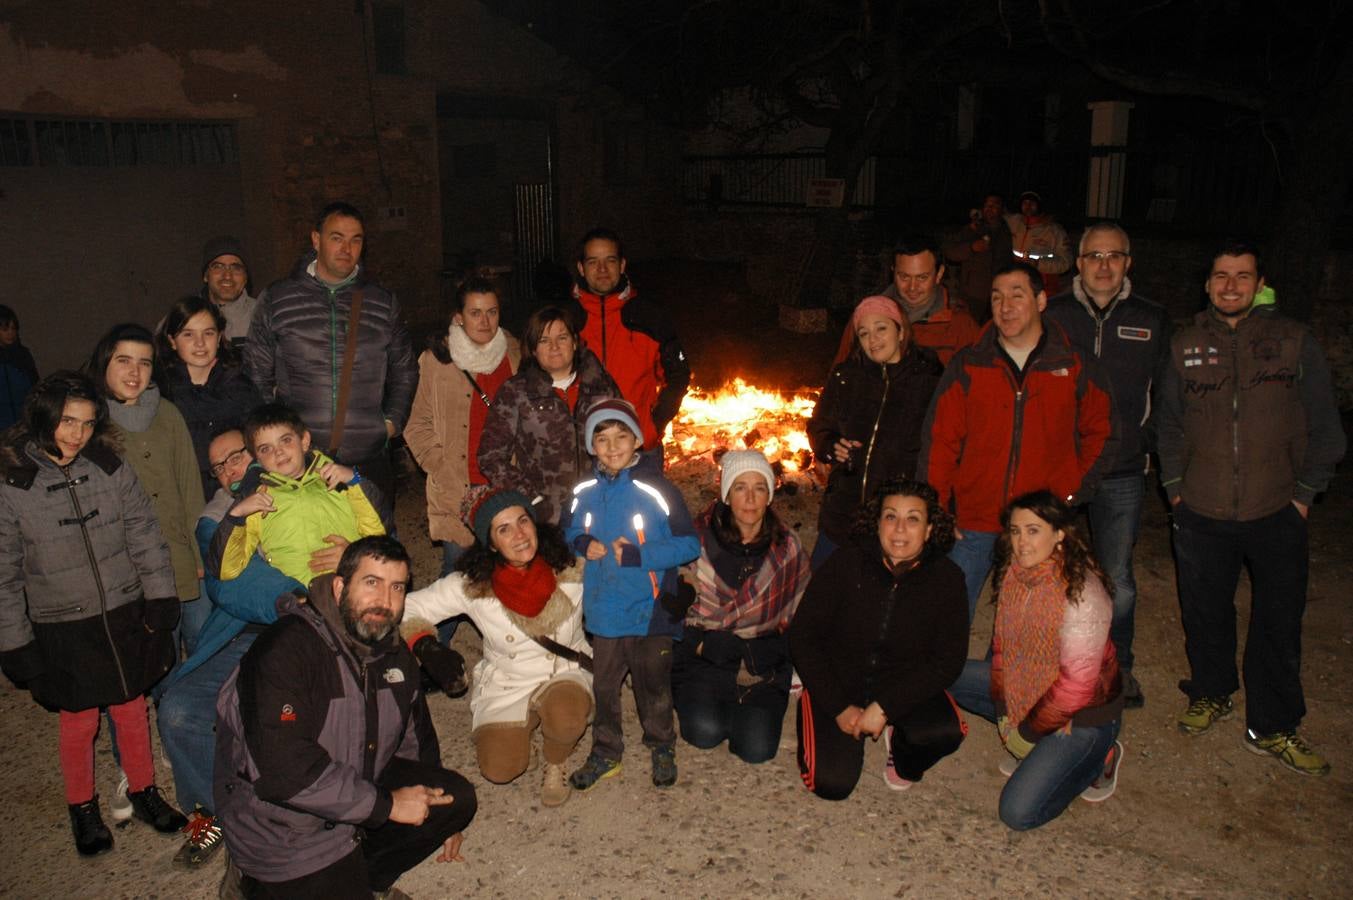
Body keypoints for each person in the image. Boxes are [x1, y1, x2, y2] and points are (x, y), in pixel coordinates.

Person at [1154, 241, 1345, 776]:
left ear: (1259, 282)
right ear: (1207, 283)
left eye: (1242, 276)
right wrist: (1175, 491)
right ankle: (1211, 692)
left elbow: (1326, 429)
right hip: (1201, 511)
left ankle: (1274, 725)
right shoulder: (1185, 344)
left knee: (1277, 624)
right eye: (1221, 276)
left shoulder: (1293, 342)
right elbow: (1167, 425)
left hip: (1276, 510)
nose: (1231, 285)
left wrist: (1305, 497)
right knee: (1205, 613)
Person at [214, 536, 477, 896]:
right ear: (340, 587)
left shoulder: (394, 653)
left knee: (453, 798)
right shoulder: (287, 650)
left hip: (353, 780)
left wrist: (435, 813)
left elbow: (415, 737)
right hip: (283, 827)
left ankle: (364, 876)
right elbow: (283, 774)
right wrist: (386, 806)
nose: (384, 601)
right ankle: (250, 882)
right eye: (371, 583)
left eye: (396, 587)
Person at [0, 371, 186, 856]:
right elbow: (3, 573)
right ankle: (82, 807)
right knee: (78, 718)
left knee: (130, 706)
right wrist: (14, 643)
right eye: (66, 421)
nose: (76, 434)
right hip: (63, 621)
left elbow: (144, 531)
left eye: (85, 423)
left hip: (123, 607)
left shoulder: (108, 465)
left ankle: (144, 791)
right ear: (43, 417)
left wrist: (160, 596)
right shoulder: (12, 481)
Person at [919, 261, 1117, 619]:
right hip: (973, 521)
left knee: (1022, 634)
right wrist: (940, 509)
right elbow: (939, 441)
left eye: (1016, 295)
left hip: (1038, 526)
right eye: (996, 297)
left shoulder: (1074, 363)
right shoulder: (969, 364)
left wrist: (1070, 494)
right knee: (943, 622)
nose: (1005, 307)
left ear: (1041, 301)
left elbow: (1102, 431)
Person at [154, 428, 304, 867]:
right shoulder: (214, 517)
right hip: (250, 631)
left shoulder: (304, 483)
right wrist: (295, 598)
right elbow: (230, 584)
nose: (230, 470)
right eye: (219, 466)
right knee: (178, 709)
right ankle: (212, 813)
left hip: (317, 627)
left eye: (237, 456)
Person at [1044, 223, 1171, 708]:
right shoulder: (1053, 315)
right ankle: (1052, 662)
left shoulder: (1152, 319)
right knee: (1051, 571)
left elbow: (1168, 395)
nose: (1103, 265)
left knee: (1117, 577)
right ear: (1077, 263)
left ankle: (1117, 668)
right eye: (1093, 256)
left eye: (1113, 256)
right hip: (1059, 469)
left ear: (1128, 263)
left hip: (1120, 470)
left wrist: (1144, 441)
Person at [402, 489, 593, 807]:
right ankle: (523, 733)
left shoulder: (570, 565)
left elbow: (622, 577)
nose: (519, 535)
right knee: (500, 769)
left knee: (567, 717)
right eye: (504, 529)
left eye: (522, 521)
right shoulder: (472, 585)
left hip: (564, 672)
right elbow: (405, 608)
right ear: (490, 543)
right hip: (509, 682)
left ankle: (556, 760)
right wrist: (426, 647)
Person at [950, 491, 1125, 830]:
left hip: (1083, 715)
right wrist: (1004, 708)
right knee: (941, 674)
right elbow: (1002, 647)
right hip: (1026, 686)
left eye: (1033, 530)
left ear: (1060, 533)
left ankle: (1099, 757)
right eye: (1015, 531)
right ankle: (1043, 749)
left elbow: (1075, 688)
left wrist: (1027, 733)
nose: (1021, 542)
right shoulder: (1017, 574)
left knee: (1018, 812)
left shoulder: (1083, 594)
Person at [788, 478, 968, 800]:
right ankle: (817, 707)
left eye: (913, 518)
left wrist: (885, 708)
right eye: (890, 516)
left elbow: (948, 659)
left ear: (928, 529)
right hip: (840, 682)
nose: (900, 529)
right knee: (831, 784)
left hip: (901, 683)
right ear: (877, 522)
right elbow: (804, 634)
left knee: (944, 732)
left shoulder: (948, 580)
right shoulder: (846, 563)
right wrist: (838, 707)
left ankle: (899, 749)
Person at [245, 201, 416, 524]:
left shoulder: (381, 301)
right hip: (301, 462)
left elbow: (405, 367)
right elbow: (257, 371)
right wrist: (274, 439)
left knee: (375, 553)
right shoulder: (279, 298)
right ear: (315, 239)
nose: (347, 248)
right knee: (308, 556)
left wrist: (392, 422)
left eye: (356, 239)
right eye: (337, 237)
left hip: (367, 458)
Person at [561, 398, 700, 791]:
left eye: (622, 436)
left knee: (652, 681)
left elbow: (689, 545)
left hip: (651, 609)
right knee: (604, 685)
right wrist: (582, 541)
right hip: (604, 608)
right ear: (591, 446)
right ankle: (606, 752)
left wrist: (642, 555)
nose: (612, 446)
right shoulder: (583, 491)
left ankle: (661, 743)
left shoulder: (658, 488)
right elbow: (567, 531)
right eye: (602, 439)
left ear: (637, 439)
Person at [673, 451, 810, 764]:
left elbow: (800, 614)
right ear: (726, 494)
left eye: (759, 488)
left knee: (756, 750)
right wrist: (703, 645)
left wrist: (763, 654)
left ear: (770, 495)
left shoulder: (787, 548)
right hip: (705, 655)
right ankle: (711, 703)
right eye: (740, 488)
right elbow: (672, 611)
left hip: (760, 661)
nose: (750, 498)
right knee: (704, 732)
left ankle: (745, 710)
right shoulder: (695, 541)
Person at [87, 323, 207, 654]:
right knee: (154, 652)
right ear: (104, 364)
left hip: (181, 555)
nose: (135, 371)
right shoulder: (89, 424)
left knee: (200, 639)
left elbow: (189, 488)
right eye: (124, 360)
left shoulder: (167, 413)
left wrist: (198, 555)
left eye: (145, 362)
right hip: (129, 565)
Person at [809, 295, 943, 570]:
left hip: (895, 513)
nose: (873, 339)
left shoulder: (928, 379)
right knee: (823, 585)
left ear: (901, 330)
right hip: (843, 507)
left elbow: (943, 444)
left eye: (881, 328)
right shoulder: (846, 376)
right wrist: (830, 444)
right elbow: (820, 425)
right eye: (864, 333)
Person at [405, 276, 520, 577]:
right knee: (457, 577)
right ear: (459, 317)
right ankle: (428, 627)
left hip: (504, 484)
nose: (485, 321)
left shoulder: (515, 354)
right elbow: (416, 422)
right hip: (458, 487)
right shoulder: (436, 361)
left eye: (492, 312)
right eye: (475, 312)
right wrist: (438, 464)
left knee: (508, 571)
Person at [207, 403, 386, 586]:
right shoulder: (258, 499)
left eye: (285, 440)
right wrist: (235, 516)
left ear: (304, 441)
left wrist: (354, 558)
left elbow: (382, 539)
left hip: (356, 589)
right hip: (303, 604)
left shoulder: (340, 479)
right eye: (265, 449)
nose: (278, 452)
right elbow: (225, 570)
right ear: (257, 460)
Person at [477, 305, 618, 525]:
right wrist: (530, 498)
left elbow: (625, 438)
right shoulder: (516, 392)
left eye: (562, 337)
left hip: (604, 506)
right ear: (533, 349)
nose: (554, 347)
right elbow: (490, 457)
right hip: (548, 518)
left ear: (574, 341)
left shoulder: (601, 384)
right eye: (543, 340)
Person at [563, 228, 690, 453]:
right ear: (581, 268)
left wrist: (653, 425)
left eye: (610, 261)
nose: (602, 269)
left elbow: (678, 376)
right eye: (593, 262)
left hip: (639, 447)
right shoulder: (564, 320)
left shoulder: (649, 317)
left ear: (622, 265)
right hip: (580, 452)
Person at [157, 294, 262, 499]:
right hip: (183, 495)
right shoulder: (160, 392)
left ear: (220, 336)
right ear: (172, 341)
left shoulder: (242, 386)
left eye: (208, 333)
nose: (200, 343)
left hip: (240, 490)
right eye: (188, 334)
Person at [829, 237, 980, 367]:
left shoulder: (960, 326)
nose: (912, 288)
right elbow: (839, 375)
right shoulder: (866, 318)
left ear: (939, 274)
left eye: (922, 277)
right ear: (893, 271)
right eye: (904, 277)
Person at [943, 193, 1014, 322]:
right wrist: (972, 248)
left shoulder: (1010, 231)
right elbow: (950, 252)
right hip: (973, 293)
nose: (990, 208)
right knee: (969, 328)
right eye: (987, 205)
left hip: (1000, 293)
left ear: (1002, 209)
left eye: (994, 205)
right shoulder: (973, 229)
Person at [1006, 191, 1073, 296]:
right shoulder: (1013, 222)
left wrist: (1038, 264)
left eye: (1032, 203)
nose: (1028, 206)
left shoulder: (1054, 231)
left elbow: (1066, 262)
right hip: (1017, 285)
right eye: (1025, 203)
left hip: (1044, 289)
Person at [199, 236, 258, 346]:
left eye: (236, 268)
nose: (227, 276)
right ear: (206, 276)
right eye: (218, 267)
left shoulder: (265, 316)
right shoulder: (184, 316)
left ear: (246, 278)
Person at [0, 303, 38, 430]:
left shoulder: (22, 355)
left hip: (22, 422)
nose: (10, 333)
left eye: (13, 328)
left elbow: (34, 386)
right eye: (5, 329)